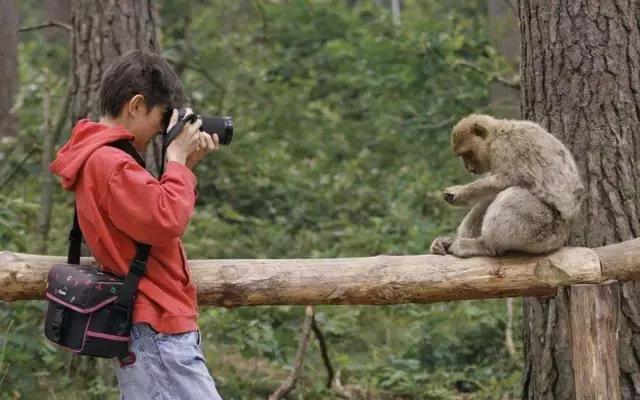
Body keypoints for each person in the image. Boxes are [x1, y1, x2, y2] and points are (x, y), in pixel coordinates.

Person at [50, 49, 224, 400]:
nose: (163, 131)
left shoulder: (104, 157)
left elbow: (152, 215)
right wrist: (175, 160)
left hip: (155, 326)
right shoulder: (111, 163)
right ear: (137, 105)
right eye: (162, 119)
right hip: (156, 327)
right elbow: (165, 220)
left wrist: (185, 166)